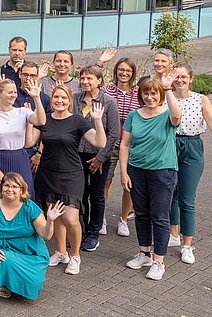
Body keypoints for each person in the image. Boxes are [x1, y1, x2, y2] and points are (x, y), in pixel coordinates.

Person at [26, 85, 107, 275]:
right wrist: (29, 119)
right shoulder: (44, 118)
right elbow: (29, 143)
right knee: (56, 216)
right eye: (56, 97)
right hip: (48, 173)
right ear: (52, 99)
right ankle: (60, 252)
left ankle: (75, 255)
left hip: (71, 174)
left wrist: (97, 121)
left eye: (63, 97)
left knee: (71, 218)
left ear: (69, 100)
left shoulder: (77, 120)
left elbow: (100, 143)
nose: (59, 101)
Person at [121, 75, 181, 280]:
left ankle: (159, 261)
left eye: (154, 93)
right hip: (137, 170)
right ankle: (144, 253)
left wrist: (169, 89)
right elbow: (125, 145)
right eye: (146, 92)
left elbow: (177, 117)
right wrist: (124, 172)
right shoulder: (133, 115)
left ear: (161, 94)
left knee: (160, 216)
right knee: (142, 213)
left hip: (163, 172)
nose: (149, 96)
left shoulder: (167, 115)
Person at [168, 65, 212, 264]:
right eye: (176, 76)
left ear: (191, 78)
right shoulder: (167, 96)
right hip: (170, 145)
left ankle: (187, 245)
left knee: (187, 198)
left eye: (184, 77)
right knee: (171, 194)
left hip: (192, 146)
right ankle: (173, 235)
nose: (180, 80)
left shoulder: (200, 99)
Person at [0, 173, 66, 300]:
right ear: (1, 187)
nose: (10, 189)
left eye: (15, 186)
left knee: (34, 284)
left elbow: (46, 236)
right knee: (3, 259)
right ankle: (5, 284)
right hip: (5, 249)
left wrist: (50, 220)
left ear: (22, 189)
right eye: (6, 185)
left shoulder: (30, 207)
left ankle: (24, 279)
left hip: (31, 251)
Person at [0, 79, 46, 217]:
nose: (13, 95)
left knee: (23, 197)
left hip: (20, 159)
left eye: (14, 92)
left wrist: (36, 98)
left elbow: (41, 121)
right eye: (9, 92)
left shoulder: (23, 112)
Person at [73, 66, 120, 252]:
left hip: (99, 156)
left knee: (97, 194)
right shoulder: (75, 99)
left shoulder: (108, 102)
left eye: (89, 78)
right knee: (80, 193)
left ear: (99, 80)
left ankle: (94, 232)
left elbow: (114, 134)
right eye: (83, 78)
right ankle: (81, 230)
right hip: (77, 156)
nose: (85, 82)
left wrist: (100, 158)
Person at [103, 57, 141, 237]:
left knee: (128, 184)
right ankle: (100, 218)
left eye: (128, 71)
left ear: (133, 73)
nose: (124, 73)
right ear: (116, 71)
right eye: (121, 69)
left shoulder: (139, 92)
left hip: (132, 146)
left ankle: (123, 219)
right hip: (109, 144)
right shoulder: (106, 91)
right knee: (105, 182)